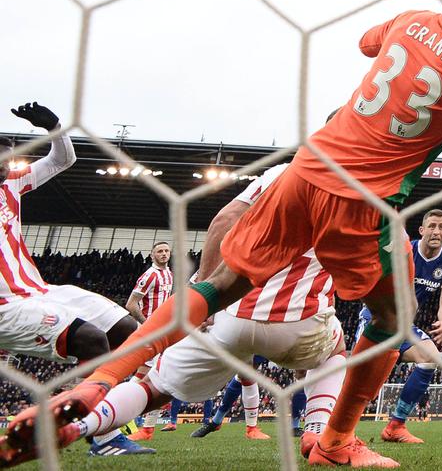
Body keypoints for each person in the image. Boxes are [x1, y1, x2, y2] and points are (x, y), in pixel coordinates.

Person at [8, 0, 442, 467]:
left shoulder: (412, 19)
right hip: (359, 198)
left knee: (218, 284)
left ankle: (96, 387)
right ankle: (333, 439)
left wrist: (405, 45)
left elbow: (367, 42)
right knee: (390, 320)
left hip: (305, 169)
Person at [10, 160, 349, 465]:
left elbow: (225, 220)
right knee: (336, 348)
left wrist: (207, 295)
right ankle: (319, 434)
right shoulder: (360, 184)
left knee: (152, 387)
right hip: (295, 317)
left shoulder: (281, 171)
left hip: (222, 313)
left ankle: (79, 428)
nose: (162, 252)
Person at [0, 103, 148, 458]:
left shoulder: (12, 186)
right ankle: (103, 439)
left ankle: (87, 418)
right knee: (90, 339)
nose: (6, 166)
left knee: (126, 330)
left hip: (40, 290)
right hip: (6, 306)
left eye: (8, 159)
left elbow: (61, 160)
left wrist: (54, 126)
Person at [353, 208, 442, 445]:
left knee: (430, 357)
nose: (436, 231)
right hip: (376, 318)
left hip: (404, 325)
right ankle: (339, 428)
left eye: (441, 227)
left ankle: (396, 425)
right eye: (431, 226)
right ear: (422, 230)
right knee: (361, 377)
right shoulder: (403, 250)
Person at [124, 241, 176, 438]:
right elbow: (131, 304)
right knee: (152, 376)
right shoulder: (149, 275)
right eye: (159, 251)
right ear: (152, 255)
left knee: (154, 375)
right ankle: (124, 414)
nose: (163, 254)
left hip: (163, 332)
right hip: (150, 333)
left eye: (166, 251)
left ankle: (144, 426)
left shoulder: (169, 274)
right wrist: (147, 324)